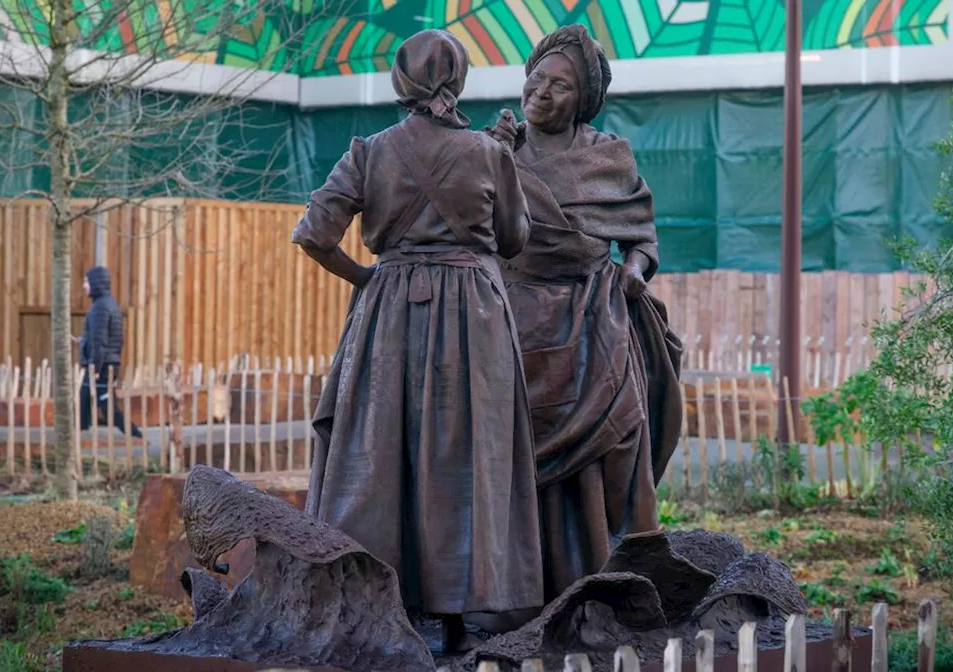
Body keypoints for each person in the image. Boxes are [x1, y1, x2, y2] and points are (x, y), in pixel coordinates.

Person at [291, 29, 543, 654]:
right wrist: (500, 156)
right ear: (458, 81)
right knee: (465, 457)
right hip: (475, 318)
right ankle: (459, 621)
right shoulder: (488, 152)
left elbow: (313, 234)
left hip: (391, 316)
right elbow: (513, 240)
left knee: (382, 453)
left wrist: (368, 277)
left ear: (400, 83)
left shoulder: (369, 152)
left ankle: (385, 604)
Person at [485, 25, 685, 601]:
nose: (541, 92)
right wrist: (492, 159)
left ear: (584, 101)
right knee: (513, 451)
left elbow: (643, 238)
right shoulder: (495, 148)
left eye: (561, 86)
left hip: (594, 316)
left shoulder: (606, 157)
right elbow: (468, 232)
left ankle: (610, 567)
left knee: (619, 437)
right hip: (511, 319)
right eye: (537, 77)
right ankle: (523, 586)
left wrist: (635, 271)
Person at [78, 266, 144, 439]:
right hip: (106, 363)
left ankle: (136, 436)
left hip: (102, 366)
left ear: (95, 283)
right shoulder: (108, 305)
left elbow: (101, 342)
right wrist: (82, 342)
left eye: (86, 281)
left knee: (107, 408)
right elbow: (101, 338)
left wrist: (95, 366)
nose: (84, 286)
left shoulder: (100, 308)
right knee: (83, 403)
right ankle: (80, 437)